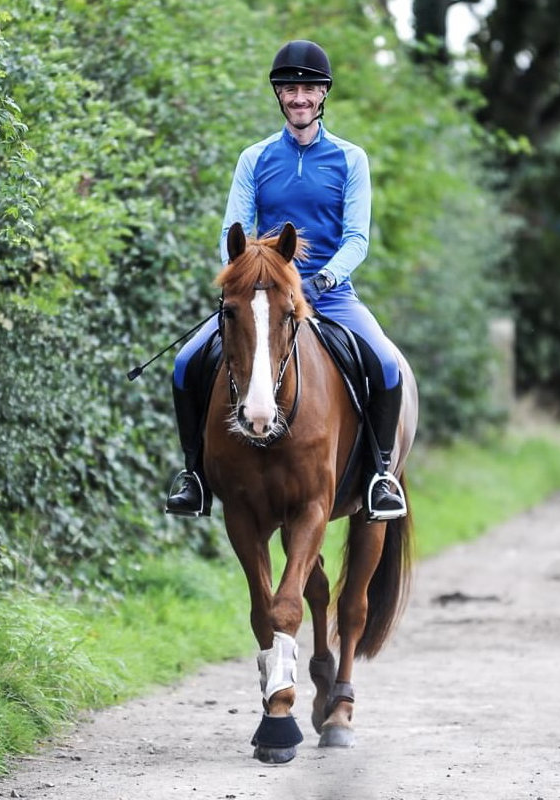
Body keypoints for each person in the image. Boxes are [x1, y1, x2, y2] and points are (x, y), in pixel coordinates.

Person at [166, 39, 405, 521]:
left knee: (386, 365)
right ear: (278, 94)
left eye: (309, 88)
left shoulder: (350, 158)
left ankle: (380, 476)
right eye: (290, 88)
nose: (299, 97)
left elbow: (357, 237)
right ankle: (193, 475)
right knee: (184, 363)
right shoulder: (254, 158)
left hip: (329, 294)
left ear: (323, 95)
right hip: (263, 294)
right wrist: (243, 278)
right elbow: (231, 230)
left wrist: (326, 278)